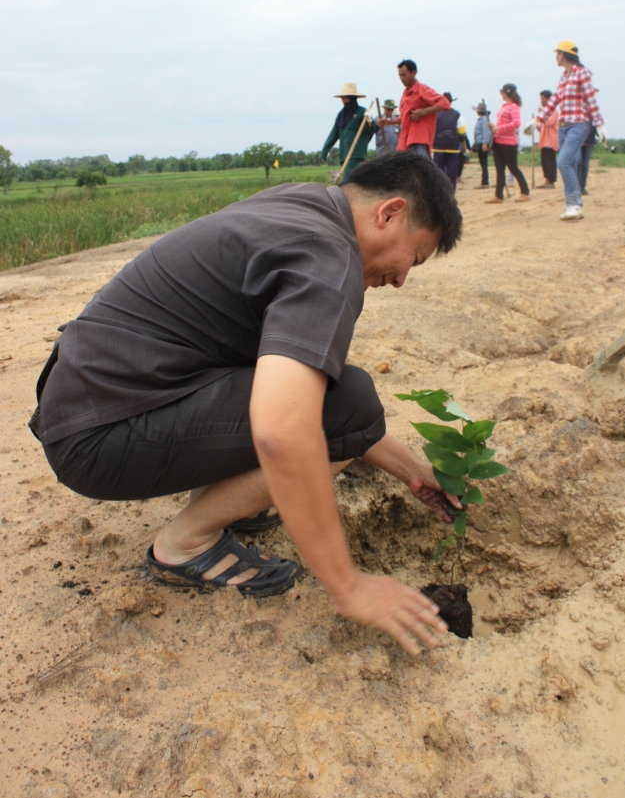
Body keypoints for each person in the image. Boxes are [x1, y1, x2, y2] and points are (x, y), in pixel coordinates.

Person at [29, 153, 464, 656]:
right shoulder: (329, 258)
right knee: (349, 402)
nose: (402, 278)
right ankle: (185, 542)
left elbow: (308, 400)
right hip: (102, 435)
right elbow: (287, 429)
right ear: (389, 213)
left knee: (333, 397)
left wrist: (412, 471)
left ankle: (231, 504)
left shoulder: (303, 205)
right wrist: (349, 587)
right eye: (415, 257)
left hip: (91, 403)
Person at [536, 41, 607, 221]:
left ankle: (575, 204)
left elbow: (590, 99)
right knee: (571, 165)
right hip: (563, 127)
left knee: (563, 162)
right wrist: (537, 119)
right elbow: (554, 100)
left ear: (562, 54)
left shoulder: (582, 73)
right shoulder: (564, 76)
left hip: (579, 124)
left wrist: (599, 125)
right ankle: (572, 206)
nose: (555, 58)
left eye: (557, 54)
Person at [379, 60, 450, 159]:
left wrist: (423, 112)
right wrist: (388, 122)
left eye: (404, 75)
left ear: (413, 73)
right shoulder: (405, 94)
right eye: (400, 75)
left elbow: (445, 103)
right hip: (404, 141)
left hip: (419, 140)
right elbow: (404, 118)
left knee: (422, 166)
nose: (402, 78)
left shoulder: (422, 89)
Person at [321, 83, 376, 181]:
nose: (344, 99)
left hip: (356, 154)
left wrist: (369, 120)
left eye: (346, 97)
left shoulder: (362, 112)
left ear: (352, 98)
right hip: (344, 154)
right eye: (342, 97)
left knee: (347, 181)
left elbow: (371, 130)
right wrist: (324, 152)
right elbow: (333, 135)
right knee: (353, 182)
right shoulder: (341, 115)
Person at [485, 83, 530, 204]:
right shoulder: (505, 106)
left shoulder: (514, 107)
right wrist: (494, 126)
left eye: (502, 92)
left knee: (513, 168)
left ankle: (525, 192)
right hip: (498, 141)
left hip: (509, 143)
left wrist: (499, 128)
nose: (501, 94)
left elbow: (517, 123)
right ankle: (498, 195)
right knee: (500, 169)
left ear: (506, 93)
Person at [432, 93, 467, 192]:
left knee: (438, 173)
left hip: (438, 148)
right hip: (453, 148)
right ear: (451, 102)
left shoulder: (436, 114)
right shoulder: (457, 114)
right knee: (452, 173)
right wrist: (464, 144)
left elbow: (431, 129)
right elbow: (462, 130)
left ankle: (440, 193)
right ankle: (450, 193)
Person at [534, 90, 559, 188]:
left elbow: (549, 122)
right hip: (544, 140)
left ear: (549, 99)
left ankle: (551, 182)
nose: (541, 101)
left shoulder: (553, 111)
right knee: (545, 161)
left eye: (543, 98)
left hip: (551, 140)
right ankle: (547, 180)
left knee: (550, 161)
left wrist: (541, 114)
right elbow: (541, 127)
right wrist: (535, 125)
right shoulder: (544, 113)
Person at [471, 101, 492, 189]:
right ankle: (484, 181)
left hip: (482, 143)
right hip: (479, 143)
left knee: (483, 163)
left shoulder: (484, 119)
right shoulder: (481, 119)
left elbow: (486, 132)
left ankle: (485, 182)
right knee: (482, 163)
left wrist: (485, 143)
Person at [579, 120, 599, 195]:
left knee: (585, 165)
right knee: (578, 163)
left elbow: (598, 123)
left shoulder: (592, 115)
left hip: (589, 141)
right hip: (577, 140)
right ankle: (576, 187)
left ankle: (582, 187)